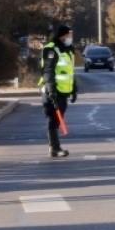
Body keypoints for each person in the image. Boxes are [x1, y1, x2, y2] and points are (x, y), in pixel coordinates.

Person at [39, 25, 78, 158]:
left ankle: (55, 147)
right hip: (52, 90)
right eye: (68, 35)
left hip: (63, 91)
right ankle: (54, 148)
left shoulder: (68, 50)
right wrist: (51, 89)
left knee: (57, 117)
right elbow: (48, 70)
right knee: (53, 118)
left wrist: (74, 89)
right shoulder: (51, 49)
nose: (70, 38)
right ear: (61, 35)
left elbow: (70, 71)